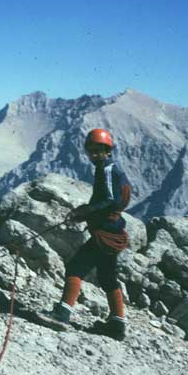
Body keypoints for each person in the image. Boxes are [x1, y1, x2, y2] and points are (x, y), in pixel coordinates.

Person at [45, 128, 132, 340]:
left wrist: (86, 211)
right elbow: (111, 202)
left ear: (107, 150)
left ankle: (62, 314)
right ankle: (117, 325)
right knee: (107, 277)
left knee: (75, 268)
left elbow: (110, 200)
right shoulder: (111, 168)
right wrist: (85, 214)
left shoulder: (107, 170)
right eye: (91, 151)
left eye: (97, 151)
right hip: (112, 231)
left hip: (104, 233)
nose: (93, 155)